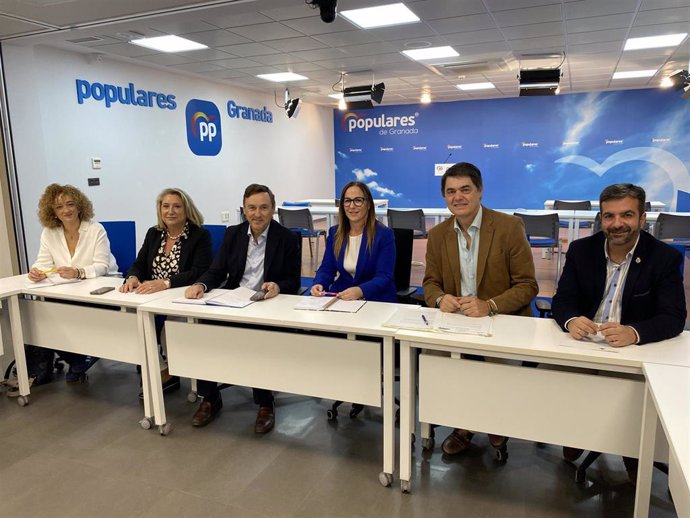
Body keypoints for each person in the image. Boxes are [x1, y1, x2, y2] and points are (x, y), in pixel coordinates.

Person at [551, 183, 686, 480]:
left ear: (641, 218)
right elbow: (562, 300)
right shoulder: (581, 250)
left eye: (626, 215)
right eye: (609, 216)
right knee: (558, 383)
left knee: (627, 397)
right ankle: (577, 433)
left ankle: (632, 449)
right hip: (584, 346)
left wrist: (634, 332)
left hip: (631, 352)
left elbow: (674, 317)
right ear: (601, 218)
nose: (617, 224)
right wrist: (572, 319)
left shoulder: (664, 258)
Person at [423, 162, 538, 457]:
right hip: (456, 323)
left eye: (465, 189)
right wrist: (440, 299)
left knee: (494, 373)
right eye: (450, 192)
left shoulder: (509, 227)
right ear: (444, 197)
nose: (458, 197)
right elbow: (430, 283)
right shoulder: (437, 235)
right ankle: (464, 424)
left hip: (500, 322)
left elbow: (527, 285)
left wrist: (490, 305)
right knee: (441, 366)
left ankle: (495, 422)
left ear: (480, 191)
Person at [185, 183, 301, 433]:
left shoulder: (287, 238)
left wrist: (278, 287)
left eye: (263, 208)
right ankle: (210, 397)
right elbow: (217, 270)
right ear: (244, 209)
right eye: (251, 208)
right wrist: (201, 284)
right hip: (236, 299)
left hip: (269, 303)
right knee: (202, 332)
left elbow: (294, 281)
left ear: (273, 209)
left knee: (256, 339)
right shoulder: (233, 234)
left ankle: (265, 402)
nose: (257, 214)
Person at [120, 188, 212, 395]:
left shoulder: (200, 235)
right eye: (166, 206)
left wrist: (166, 283)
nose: (171, 211)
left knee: (169, 327)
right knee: (131, 321)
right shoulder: (154, 233)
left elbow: (199, 271)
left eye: (177, 206)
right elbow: (140, 263)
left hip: (181, 297)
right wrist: (133, 277)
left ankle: (172, 370)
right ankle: (162, 369)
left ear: (186, 209)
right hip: (152, 295)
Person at [28, 183, 118, 382]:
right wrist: (37, 272)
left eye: (70, 204)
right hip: (68, 290)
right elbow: (42, 263)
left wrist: (78, 272)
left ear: (79, 206)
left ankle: (80, 356)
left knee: (64, 315)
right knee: (44, 316)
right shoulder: (49, 233)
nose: (66, 210)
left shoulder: (95, 229)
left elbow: (101, 266)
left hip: (102, 286)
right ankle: (77, 358)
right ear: (53, 212)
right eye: (59, 207)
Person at [311, 181, 396, 302]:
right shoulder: (335, 233)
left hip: (375, 298)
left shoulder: (384, 235)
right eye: (347, 201)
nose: (352, 206)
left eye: (358, 200)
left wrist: (361, 290)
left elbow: (384, 276)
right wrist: (319, 283)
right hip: (342, 296)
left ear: (368, 204)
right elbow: (326, 268)